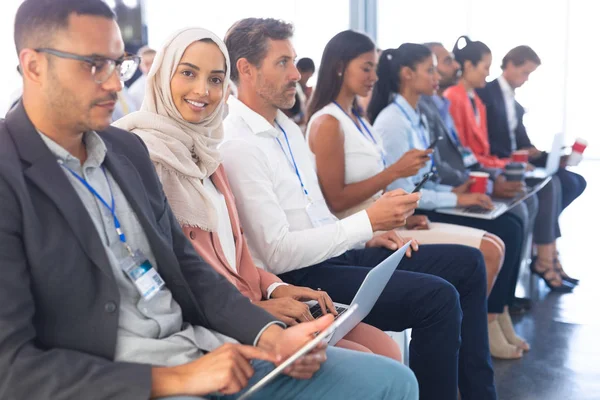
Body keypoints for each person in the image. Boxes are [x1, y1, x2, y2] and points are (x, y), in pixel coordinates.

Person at [0, 2, 420, 400]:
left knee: (392, 381)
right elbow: (11, 367)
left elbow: (189, 268)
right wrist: (177, 377)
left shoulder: (125, 150)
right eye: (94, 65)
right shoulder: (11, 172)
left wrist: (272, 336)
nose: (114, 83)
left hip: (202, 347)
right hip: (124, 379)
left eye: (117, 64)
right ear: (34, 65)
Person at [222, 18, 496, 400]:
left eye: (294, 62)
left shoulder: (286, 128)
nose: (296, 76)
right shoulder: (239, 143)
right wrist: (364, 223)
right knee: (437, 299)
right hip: (301, 275)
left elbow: (320, 212)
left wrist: (366, 233)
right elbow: (276, 252)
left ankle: (481, 393)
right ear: (246, 69)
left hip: (333, 253)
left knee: (468, 264)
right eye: (282, 63)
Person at [114, 27, 402, 361]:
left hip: (254, 298)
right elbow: (182, 278)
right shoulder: (147, 157)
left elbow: (236, 254)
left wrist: (276, 287)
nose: (203, 90)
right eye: (188, 73)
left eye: (216, 79)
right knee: (380, 363)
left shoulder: (207, 155)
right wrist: (259, 307)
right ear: (162, 75)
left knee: (383, 349)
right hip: (221, 324)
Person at [367, 42, 526, 359]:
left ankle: (494, 316)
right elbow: (404, 191)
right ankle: (482, 329)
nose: (437, 74)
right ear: (407, 75)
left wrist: (459, 189)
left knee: (512, 221)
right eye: (430, 69)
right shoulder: (393, 121)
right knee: (504, 231)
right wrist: (456, 195)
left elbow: (430, 173)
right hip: (418, 210)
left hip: (429, 200)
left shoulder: (416, 116)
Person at [445, 36, 574, 292]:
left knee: (544, 191)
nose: (488, 73)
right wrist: (503, 166)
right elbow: (465, 154)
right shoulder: (456, 98)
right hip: (473, 174)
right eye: (484, 67)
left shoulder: (477, 101)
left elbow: (481, 150)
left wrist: (505, 163)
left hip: (486, 166)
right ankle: (514, 286)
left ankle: (531, 271)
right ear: (468, 66)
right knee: (524, 207)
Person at [420, 42, 539, 314]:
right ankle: (494, 312)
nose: (455, 67)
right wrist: (484, 176)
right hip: (447, 187)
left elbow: (469, 152)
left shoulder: (467, 100)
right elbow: (451, 158)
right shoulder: (451, 99)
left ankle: (503, 306)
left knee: (521, 207)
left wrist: (499, 167)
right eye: (445, 62)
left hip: (461, 177)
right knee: (511, 223)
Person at [477, 45, 586, 284]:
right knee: (552, 185)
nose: (526, 80)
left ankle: (547, 252)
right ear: (510, 65)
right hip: (500, 165)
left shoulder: (514, 103)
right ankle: (546, 259)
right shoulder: (487, 94)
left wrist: (551, 156)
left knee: (574, 181)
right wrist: (517, 157)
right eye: (525, 73)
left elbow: (525, 144)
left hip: (517, 161)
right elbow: (486, 143)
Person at [128, 45, 157, 110]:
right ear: (140, 66)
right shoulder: (135, 92)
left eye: (154, 62)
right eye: (146, 64)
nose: (151, 66)